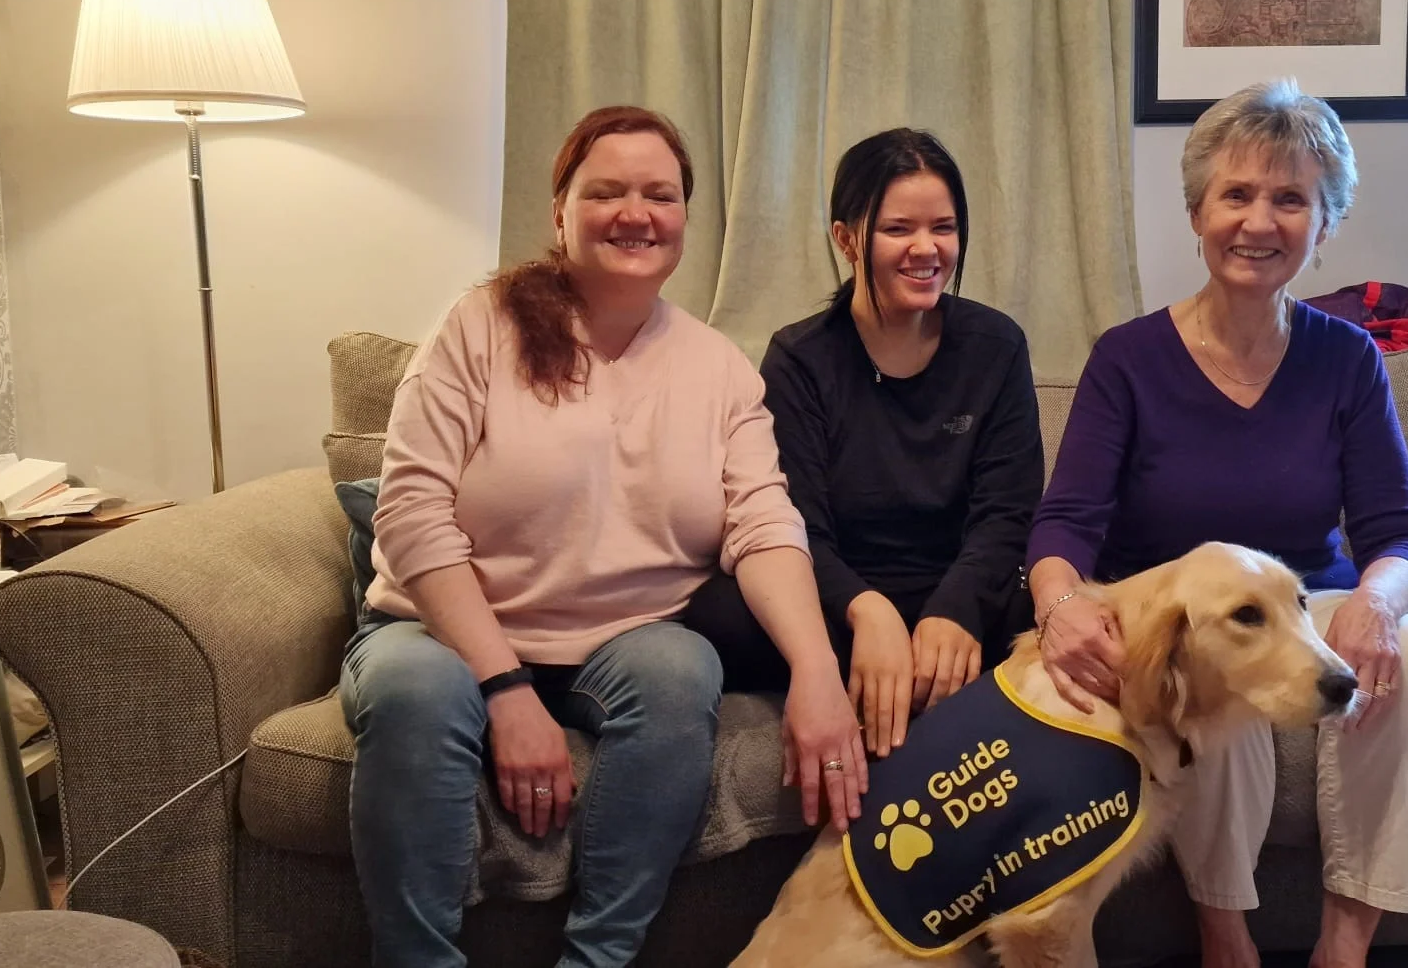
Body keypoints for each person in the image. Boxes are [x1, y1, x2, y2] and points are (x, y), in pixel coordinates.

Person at [343, 106, 864, 968]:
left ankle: (598, 962)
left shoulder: (718, 369)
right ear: (560, 212)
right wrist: (503, 689)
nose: (637, 213)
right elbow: (408, 511)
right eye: (607, 192)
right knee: (413, 691)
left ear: (685, 220)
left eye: (660, 195)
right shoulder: (479, 327)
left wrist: (816, 670)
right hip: (438, 633)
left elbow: (764, 524)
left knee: (681, 668)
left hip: (616, 642)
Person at [1024, 80, 1408, 968]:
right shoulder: (1129, 359)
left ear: (1323, 225)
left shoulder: (1349, 360)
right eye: (1238, 194)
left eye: (1291, 198)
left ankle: (1344, 945)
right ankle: (1226, 936)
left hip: (1304, 598)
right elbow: (1065, 522)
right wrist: (1059, 605)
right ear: (1198, 212)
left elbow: (1403, 532)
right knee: (1207, 647)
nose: (1260, 221)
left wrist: (1378, 601)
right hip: (1178, 611)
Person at [685, 129, 1042, 758]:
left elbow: (1007, 513)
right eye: (898, 229)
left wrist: (956, 607)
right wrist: (863, 609)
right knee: (718, 614)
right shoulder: (800, 359)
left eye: (945, 227)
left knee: (1054, 616)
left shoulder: (997, 345)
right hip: (842, 604)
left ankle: (921, 671)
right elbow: (797, 529)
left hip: (956, 591)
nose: (927, 249)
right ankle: (878, 672)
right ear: (846, 237)